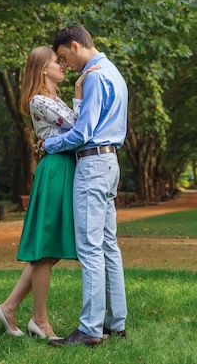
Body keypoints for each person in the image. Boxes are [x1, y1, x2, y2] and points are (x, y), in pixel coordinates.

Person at [0, 45, 94, 340]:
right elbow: (79, 126)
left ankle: (9, 308)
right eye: (56, 62)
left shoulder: (54, 99)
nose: (63, 65)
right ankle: (39, 320)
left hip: (63, 168)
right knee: (46, 249)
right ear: (42, 69)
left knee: (49, 252)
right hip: (55, 171)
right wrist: (79, 91)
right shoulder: (39, 101)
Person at [38, 26, 128, 348]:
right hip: (110, 163)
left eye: (64, 57)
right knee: (108, 246)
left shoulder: (93, 76)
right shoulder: (113, 72)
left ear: (75, 46)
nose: (67, 64)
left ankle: (90, 330)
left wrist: (49, 146)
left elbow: (82, 132)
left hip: (92, 165)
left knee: (90, 249)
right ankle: (116, 323)